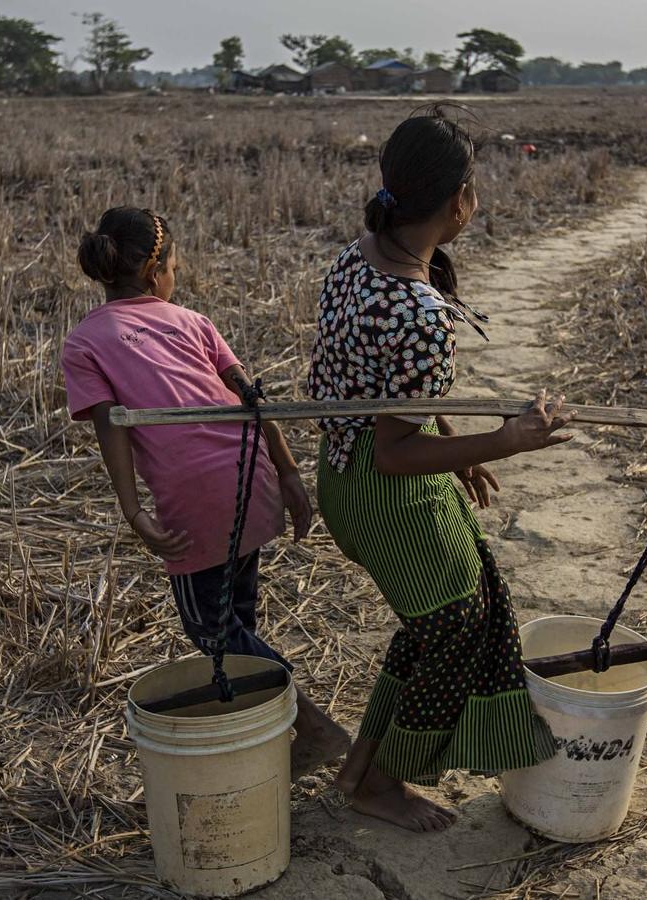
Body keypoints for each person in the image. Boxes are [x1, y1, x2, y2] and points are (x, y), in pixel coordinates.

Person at [309, 105, 576, 833]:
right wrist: (507, 441)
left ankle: (363, 768)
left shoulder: (360, 254)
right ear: (460, 203)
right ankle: (381, 781)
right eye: (476, 188)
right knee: (454, 626)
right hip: (386, 487)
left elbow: (396, 398)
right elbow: (397, 449)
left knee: (455, 615)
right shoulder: (420, 310)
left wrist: (453, 444)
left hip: (347, 474)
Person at [62, 206, 350, 778]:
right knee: (237, 613)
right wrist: (288, 473)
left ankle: (311, 726)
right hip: (251, 476)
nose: (177, 275)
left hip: (197, 500)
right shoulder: (193, 321)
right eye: (175, 265)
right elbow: (252, 396)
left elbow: (110, 428)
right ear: (154, 273)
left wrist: (132, 510)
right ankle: (261, 726)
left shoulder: (85, 341)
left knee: (212, 632)